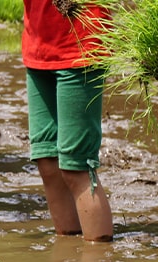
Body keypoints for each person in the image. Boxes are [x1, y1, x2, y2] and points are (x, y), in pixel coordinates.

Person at [22, 0, 113, 242]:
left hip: (82, 46)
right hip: (38, 45)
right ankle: (68, 259)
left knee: (76, 166)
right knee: (47, 161)